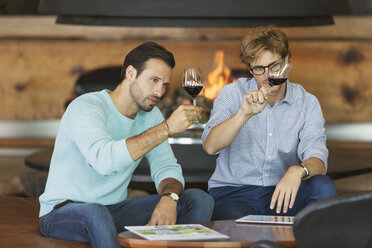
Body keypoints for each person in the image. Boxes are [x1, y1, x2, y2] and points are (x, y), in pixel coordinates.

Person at [39, 42, 214, 248]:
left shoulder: (151, 116)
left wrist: (170, 197)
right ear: (131, 73)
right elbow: (104, 162)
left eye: (165, 84)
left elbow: (166, 167)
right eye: (154, 80)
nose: (160, 92)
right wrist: (166, 128)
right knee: (95, 213)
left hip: (114, 209)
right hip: (63, 211)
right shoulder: (86, 107)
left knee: (198, 199)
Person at [202, 25, 336, 220]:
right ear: (250, 69)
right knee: (236, 230)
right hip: (233, 195)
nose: (268, 76)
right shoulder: (231, 93)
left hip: (284, 193)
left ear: (287, 60)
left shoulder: (307, 102)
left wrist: (297, 171)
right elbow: (210, 146)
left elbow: (319, 160)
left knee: (323, 186)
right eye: (259, 68)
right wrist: (244, 114)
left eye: (274, 66)